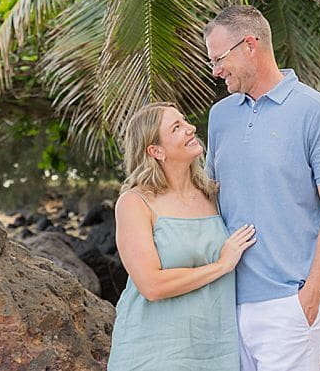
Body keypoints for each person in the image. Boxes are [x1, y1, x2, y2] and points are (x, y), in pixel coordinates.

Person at [204, 5, 320, 371]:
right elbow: (208, 199)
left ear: (250, 46)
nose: (215, 71)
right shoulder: (220, 116)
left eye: (219, 59)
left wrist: (311, 295)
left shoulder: (316, 111)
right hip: (227, 301)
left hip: (288, 303)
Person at [106, 103, 257, 371]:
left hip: (215, 348)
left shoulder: (212, 194)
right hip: (154, 352)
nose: (191, 129)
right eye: (177, 128)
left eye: (184, 121)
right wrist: (221, 265)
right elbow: (151, 285)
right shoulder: (135, 202)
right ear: (156, 151)